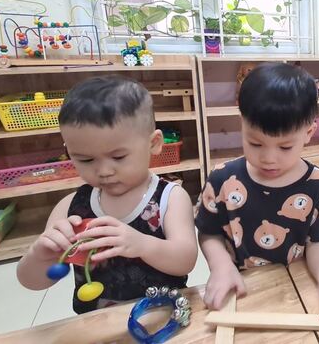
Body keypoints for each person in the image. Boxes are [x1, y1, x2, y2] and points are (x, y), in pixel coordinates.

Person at [16, 77, 197, 313]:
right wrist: (39, 255)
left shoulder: (170, 198)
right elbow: (34, 282)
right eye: (86, 159)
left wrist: (142, 244)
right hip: (97, 323)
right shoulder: (70, 208)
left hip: (162, 316)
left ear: (153, 143)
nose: (104, 171)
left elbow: (186, 261)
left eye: (118, 157)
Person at [195, 63, 319, 310]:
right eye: (255, 143)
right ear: (242, 124)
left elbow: (317, 242)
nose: (269, 158)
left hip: (295, 289)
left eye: (285, 147)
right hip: (241, 289)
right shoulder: (222, 180)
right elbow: (208, 232)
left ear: (309, 132)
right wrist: (220, 267)